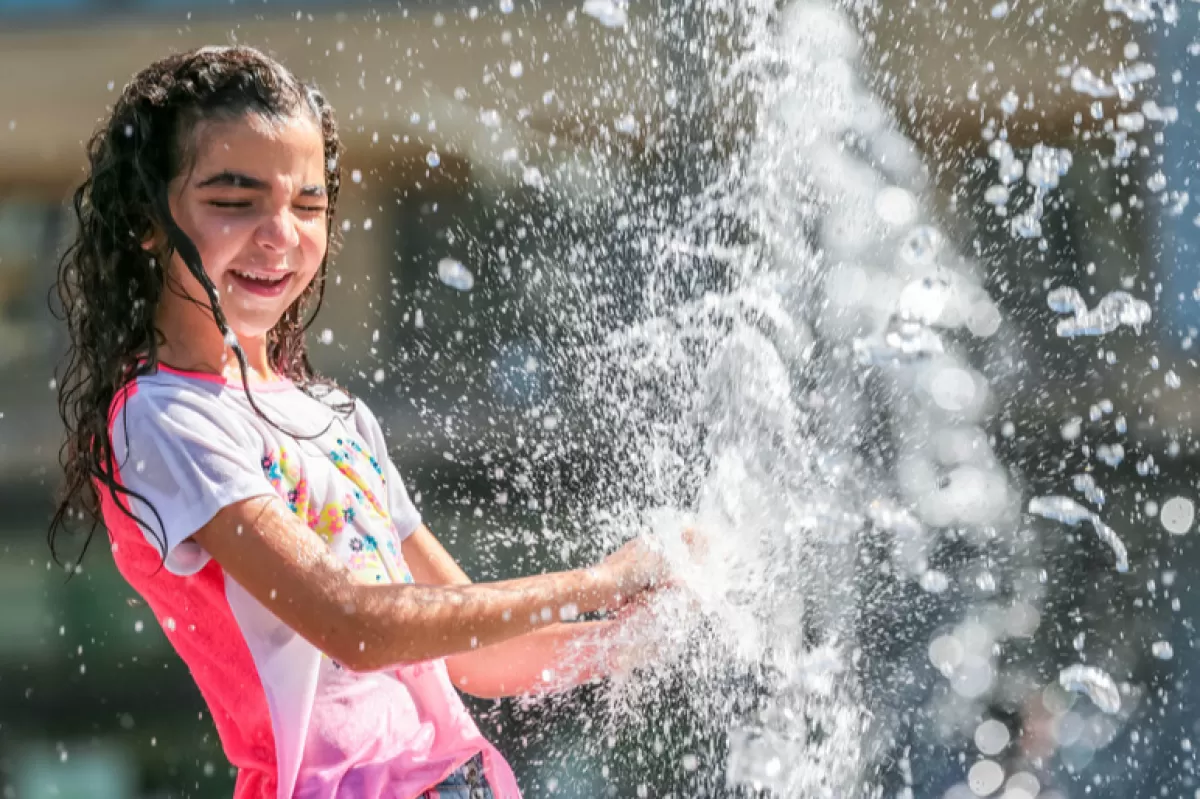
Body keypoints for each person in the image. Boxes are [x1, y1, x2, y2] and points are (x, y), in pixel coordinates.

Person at [49, 45, 672, 799]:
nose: (282, 234)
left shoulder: (338, 414)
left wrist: (646, 633)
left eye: (308, 204)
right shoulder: (162, 418)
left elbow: (475, 657)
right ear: (148, 221)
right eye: (234, 199)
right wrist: (600, 580)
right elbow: (355, 624)